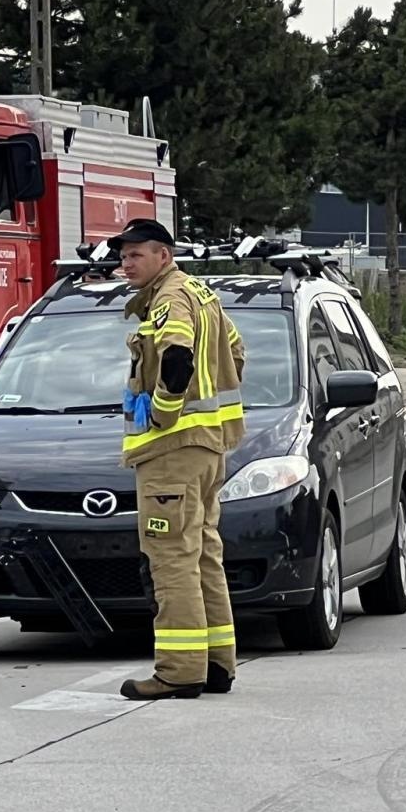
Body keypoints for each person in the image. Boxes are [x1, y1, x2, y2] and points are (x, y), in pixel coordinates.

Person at [112, 218, 246, 701]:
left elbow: (177, 358)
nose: (126, 263)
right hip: (209, 447)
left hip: (173, 452)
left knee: (170, 559)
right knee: (204, 555)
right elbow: (236, 349)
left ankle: (178, 671)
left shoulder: (170, 299)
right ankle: (215, 664)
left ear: (163, 256)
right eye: (123, 256)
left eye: (136, 255)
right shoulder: (203, 294)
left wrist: (165, 413)